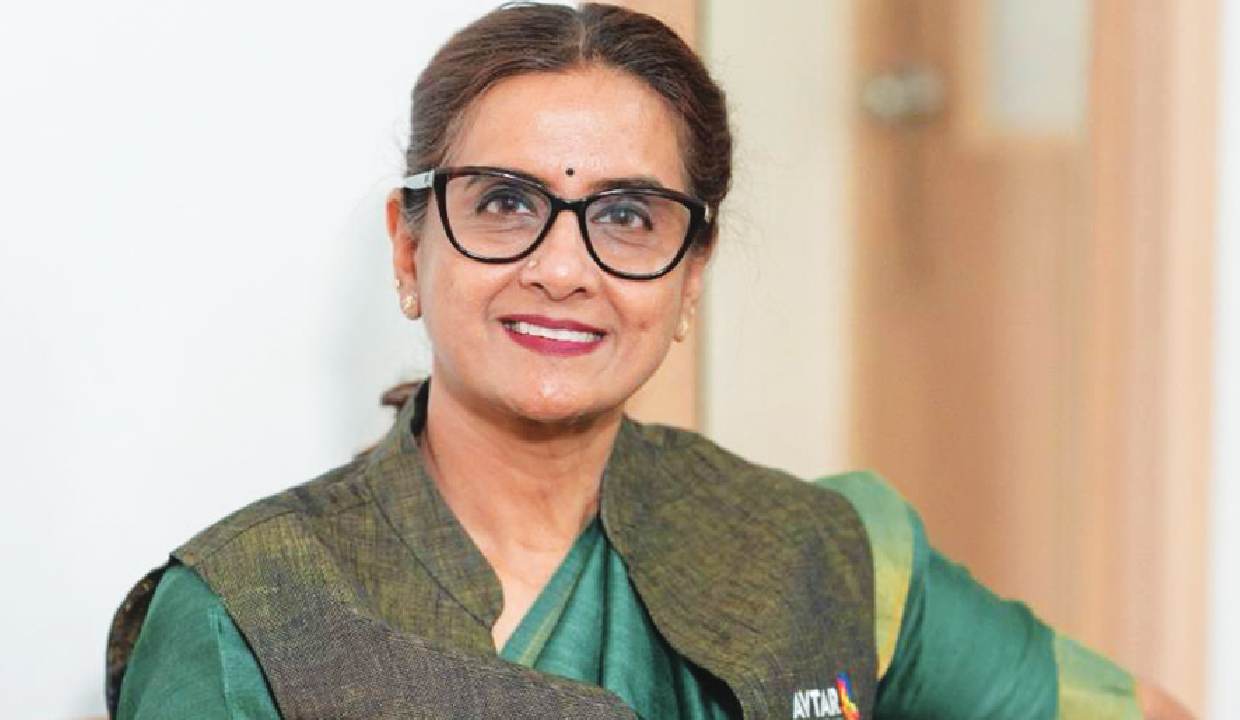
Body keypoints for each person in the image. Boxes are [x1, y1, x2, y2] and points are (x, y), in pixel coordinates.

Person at [105, 3, 1192, 719]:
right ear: (409, 247)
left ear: (691, 274)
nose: (562, 269)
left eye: (626, 216)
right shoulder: (251, 616)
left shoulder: (824, 558)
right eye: (506, 203)